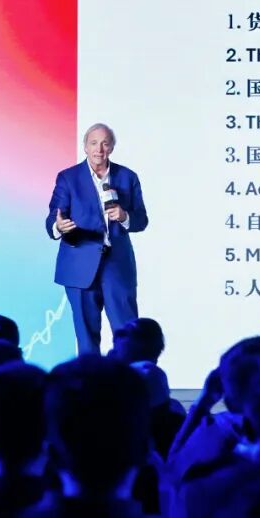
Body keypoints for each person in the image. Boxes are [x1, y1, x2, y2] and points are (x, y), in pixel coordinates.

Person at [45, 123, 149, 355]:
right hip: (79, 265)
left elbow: (141, 220)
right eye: (93, 143)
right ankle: (90, 378)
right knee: (86, 338)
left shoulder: (127, 177)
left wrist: (125, 216)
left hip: (117, 265)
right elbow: (53, 217)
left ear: (111, 147)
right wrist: (58, 226)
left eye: (105, 143)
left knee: (129, 336)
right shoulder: (68, 178)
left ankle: (130, 377)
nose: (99, 149)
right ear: (85, 146)